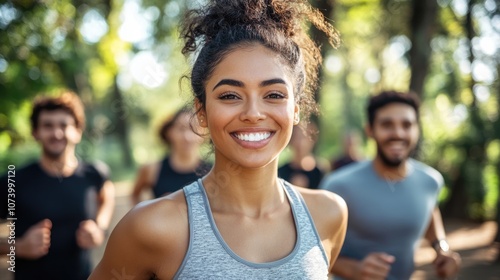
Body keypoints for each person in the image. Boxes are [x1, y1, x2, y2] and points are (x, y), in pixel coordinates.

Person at [89, 0, 348, 279]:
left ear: (295, 109)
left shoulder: (328, 214)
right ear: (201, 113)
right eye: (229, 96)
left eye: (274, 95)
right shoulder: (152, 228)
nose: (253, 114)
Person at [320, 90, 461, 280]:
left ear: (417, 129)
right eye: (387, 125)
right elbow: (310, 251)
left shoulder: (431, 182)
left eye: (407, 125)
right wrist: (353, 269)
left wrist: (441, 248)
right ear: (370, 130)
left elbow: (429, 212)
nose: (398, 133)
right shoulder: (338, 185)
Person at [0, 91, 115, 280]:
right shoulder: (13, 181)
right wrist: (18, 247)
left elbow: (106, 193)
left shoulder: (94, 174)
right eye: (47, 125)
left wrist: (99, 228)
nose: (56, 133)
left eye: (64, 125)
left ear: (78, 131)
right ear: (35, 132)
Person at [130, 107, 210, 205]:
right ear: (170, 132)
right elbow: (135, 195)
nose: (187, 137)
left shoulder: (213, 171)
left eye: (194, 129)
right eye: (181, 129)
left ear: (203, 133)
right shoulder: (152, 169)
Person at [278, 122, 326, 189]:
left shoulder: (321, 170)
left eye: (305, 137)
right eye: (296, 137)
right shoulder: (281, 172)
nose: (301, 143)